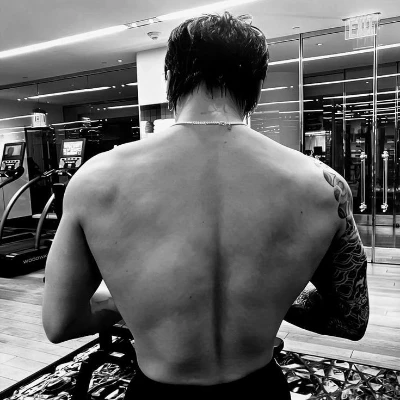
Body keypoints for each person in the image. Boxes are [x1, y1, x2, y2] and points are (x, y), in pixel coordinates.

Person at [42, 12, 369, 398]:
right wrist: (267, 295)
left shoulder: (95, 179)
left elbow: (61, 321)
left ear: (170, 78)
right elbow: (351, 317)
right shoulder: (325, 185)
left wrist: (127, 301)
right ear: (257, 85)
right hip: (260, 390)